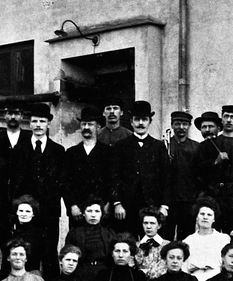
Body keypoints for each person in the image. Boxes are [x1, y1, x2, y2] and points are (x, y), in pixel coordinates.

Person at [110, 100, 170, 235]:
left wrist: (164, 206)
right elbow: (114, 176)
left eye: (144, 119)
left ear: (150, 122)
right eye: (137, 119)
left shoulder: (159, 146)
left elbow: (166, 178)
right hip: (126, 207)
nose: (141, 123)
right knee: (127, 241)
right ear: (131, 122)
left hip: (152, 206)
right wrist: (117, 203)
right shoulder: (121, 146)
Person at [20, 102, 65, 270]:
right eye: (35, 121)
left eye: (42, 121)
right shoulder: (20, 149)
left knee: (49, 253)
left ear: (48, 124)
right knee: (28, 252)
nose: (38, 125)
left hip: (50, 212)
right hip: (27, 212)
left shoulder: (58, 151)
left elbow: (61, 183)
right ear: (29, 124)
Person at [194, 110, 233, 233]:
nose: (229, 120)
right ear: (222, 120)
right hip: (213, 197)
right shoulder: (207, 145)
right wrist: (215, 162)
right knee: (210, 234)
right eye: (226, 116)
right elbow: (198, 171)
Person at [63, 106, 110, 226]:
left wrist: (108, 205)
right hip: (78, 212)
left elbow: (113, 181)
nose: (86, 127)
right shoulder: (71, 153)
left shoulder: (108, 152)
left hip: (101, 211)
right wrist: (72, 206)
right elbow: (65, 183)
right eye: (84, 124)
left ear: (98, 127)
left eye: (90, 124)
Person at [166, 108, 201, 240]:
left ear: (189, 126)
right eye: (177, 123)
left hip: (188, 201)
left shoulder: (196, 147)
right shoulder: (164, 146)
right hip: (169, 200)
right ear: (172, 125)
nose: (181, 127)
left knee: (186, 237)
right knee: (166, 235)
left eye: (185, 124)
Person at [181, 197, 231, 281]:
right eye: (202, 214)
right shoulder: (188, 240)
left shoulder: (223, 239)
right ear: (197, 217)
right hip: (194, 280)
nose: (205, 217)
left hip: (216, 280)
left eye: (209, 215)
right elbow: (184, 268)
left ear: (214, 219)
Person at [64, 196, 116, 273]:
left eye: (97, 211)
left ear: (102, 214)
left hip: (105, 272)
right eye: (89, 211)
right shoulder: (74, 233)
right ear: (83, 213)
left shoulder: (109, 233)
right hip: (82, 272)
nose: (93, 215)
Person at [134, 207, 170, 280]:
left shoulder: (168, 245)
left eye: (152, 223)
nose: (148, 226)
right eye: (145, 223)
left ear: (159, 226)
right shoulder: (135, 246)